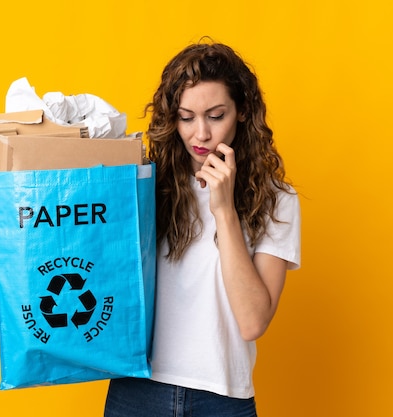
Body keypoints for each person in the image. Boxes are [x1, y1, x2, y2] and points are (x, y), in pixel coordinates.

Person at [104, 40, 301, 417]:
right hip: (137, 392)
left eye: (215, 115)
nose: (200, 135)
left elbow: (253, 321)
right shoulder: (146, 185)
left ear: (242, 112)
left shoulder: (277, 199)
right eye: (186, 117)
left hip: (222, 398)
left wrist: (224, 210)